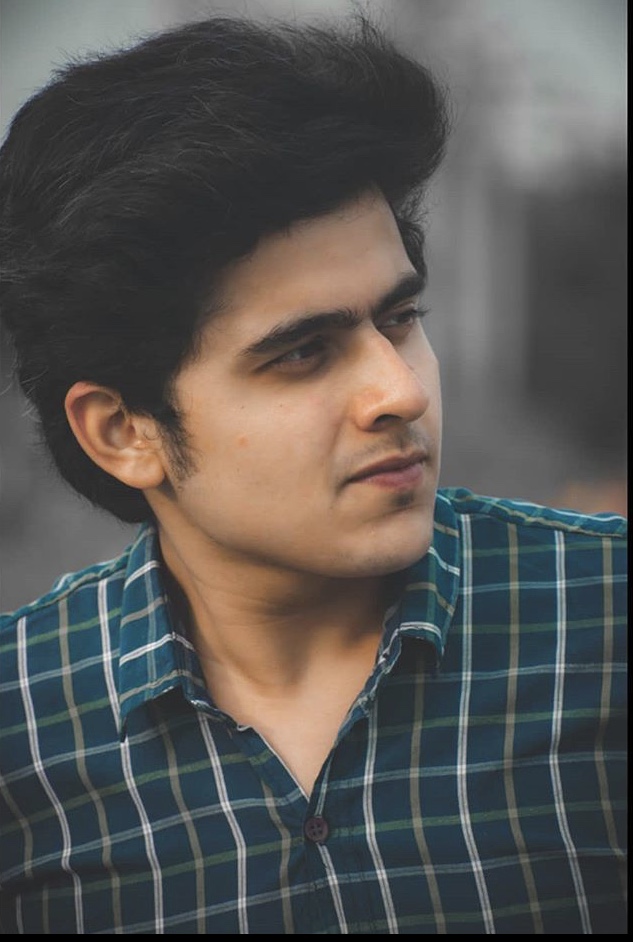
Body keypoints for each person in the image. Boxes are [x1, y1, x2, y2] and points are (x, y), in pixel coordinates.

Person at [0, 13, 626, 935]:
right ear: (125, 432)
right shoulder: (22, 739)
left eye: (399, 319)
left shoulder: (605, 624)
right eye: (302, 353)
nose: (398, 390)